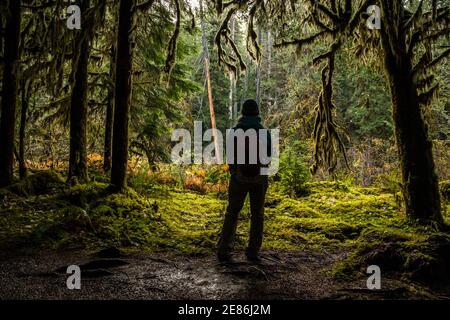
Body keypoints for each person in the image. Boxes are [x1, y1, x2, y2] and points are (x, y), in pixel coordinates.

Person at [217, 99, 271, 264]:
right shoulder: (263, 132)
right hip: (259, 178)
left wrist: (235, 171)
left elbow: (230, 157)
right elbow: (268, 157)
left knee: (232, 213)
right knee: (257, 215)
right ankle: (253, 252)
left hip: (239, 178)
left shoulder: (234, 131)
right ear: (257, 113)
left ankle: (224, 250)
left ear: (243, 112)